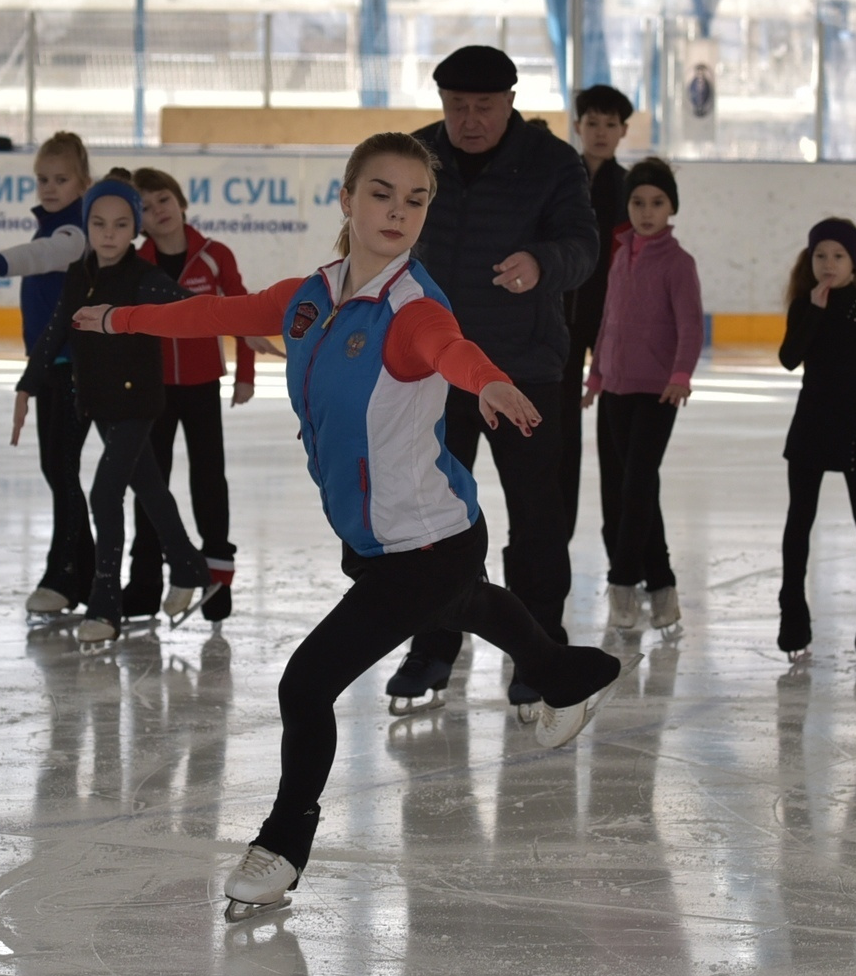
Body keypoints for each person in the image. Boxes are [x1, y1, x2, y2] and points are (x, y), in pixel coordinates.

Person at [69, 131, 625, 921]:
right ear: (347, 197)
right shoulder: (311, 294)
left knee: (308, 681)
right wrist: (119, 319)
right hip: (389, 535)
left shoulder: (413, 307)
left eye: (416, 199)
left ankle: (283, 844)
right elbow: (213, 311)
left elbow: (452, 348)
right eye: (382, 194)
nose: (399, 211)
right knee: (465, 604)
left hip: (424, 540)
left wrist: (492, 383)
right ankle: (571, 673)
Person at [381, 45, 599, 712]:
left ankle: (539, 650)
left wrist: (540, 261)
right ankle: (434, 644)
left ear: (510, 101)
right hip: (431, 372)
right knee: (432, 517)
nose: (468, 120)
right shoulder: (414, 157)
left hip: (524, 368)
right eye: (455, 106)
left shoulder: (552, 163)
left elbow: (584, 248)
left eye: (482, 107)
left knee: (537, 516)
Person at [15, 175, 213, 645]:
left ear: (134, 229)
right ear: (88, 225)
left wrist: (244, 326)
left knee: (105, 494)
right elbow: (56, 331)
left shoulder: (144, 279)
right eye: (100, 223)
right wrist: (27, 384)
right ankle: (188, 565)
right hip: (99, 401)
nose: (109, 233)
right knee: (149, 487)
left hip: (137, 401)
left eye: (121, 224)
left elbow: (193, 309)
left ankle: (105, 605)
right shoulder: (79, 275)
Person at [0, 131, 94, 614]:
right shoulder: (54, 225)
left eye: (61, 179)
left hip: (75, 366)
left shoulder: (76, 230)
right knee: (56, 468)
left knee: (62, 467)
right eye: (43, 179)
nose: (50, 187)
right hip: (51, 365)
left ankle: (65, 575)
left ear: (83, 182)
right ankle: (83, 570)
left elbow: (45, 257)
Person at [123, 165, 257, 625]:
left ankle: (218, 580)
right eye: (144, 206)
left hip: (202, 386)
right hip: (151, 392)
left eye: (162, 199)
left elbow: (242, 311)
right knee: (150, 485)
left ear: (180, 202)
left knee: (208, 482)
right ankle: (144, 585)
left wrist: (245, 373)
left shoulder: (215, 254)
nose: (156, 211)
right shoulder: (135, 262)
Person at [583, 158, 700, 633]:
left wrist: (681, 374)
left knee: (636, 486)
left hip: (657, 392)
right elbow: (609, 318)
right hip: (614, 389)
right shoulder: (618, 255)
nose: (646, 211)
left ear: (671, 206)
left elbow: (691, 325)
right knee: (624, 491)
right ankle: (664, 586)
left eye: (656, 202)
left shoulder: (679, 262)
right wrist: (596, 377)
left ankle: (624, 582)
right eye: (637, 202)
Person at [776, 218, 856, 662]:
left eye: (838, 256)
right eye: (820, 255)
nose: (828, 264)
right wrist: (813, 310)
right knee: (798, 522)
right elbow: (789, 359)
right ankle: (792, 614)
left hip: (855, 430)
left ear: (854, 262)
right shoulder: (803, 306)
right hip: (809, 427)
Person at [558, 84, 632, 536]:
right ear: (578, 126)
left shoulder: (629, 189)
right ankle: (557, 532)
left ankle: (621, 548)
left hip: (616, 324)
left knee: (618, 438)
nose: (600, 133)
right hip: (562, 320)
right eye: (592, 124)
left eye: (610, 125)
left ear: (623, 131)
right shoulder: (560, 181)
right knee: (562, 434)